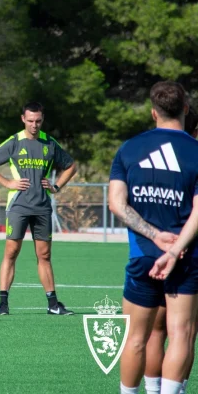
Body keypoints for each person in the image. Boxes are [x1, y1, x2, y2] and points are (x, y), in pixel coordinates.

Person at [110, 81, 198, 394]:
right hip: (186, 259)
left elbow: (117, 204)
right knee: (181, 333)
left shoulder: (129, 148)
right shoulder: (195, 151)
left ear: (153, 112)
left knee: (136, 337)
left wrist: (152, 235)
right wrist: (175, 250)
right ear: (186, 110)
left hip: (143, 256)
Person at [0, 101, 77, 316]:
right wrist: (7, 183)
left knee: (44, 255)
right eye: (30, 121)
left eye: (38, 121)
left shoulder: (49, 143)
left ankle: (53, 304)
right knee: (11, 252)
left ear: (42, 120)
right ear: (23, 119)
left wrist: (56, 186)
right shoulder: (14, 142)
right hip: (18, 206)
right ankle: (3, 303)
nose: (34, 125)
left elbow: (71, 166)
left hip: (42, 207)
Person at [141, 104, 198, 394]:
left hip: (151, 251)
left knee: (157, 329)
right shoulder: (193, 159)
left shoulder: (152, 159)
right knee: (184, 332)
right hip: (187, 254)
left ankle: (153, 390)